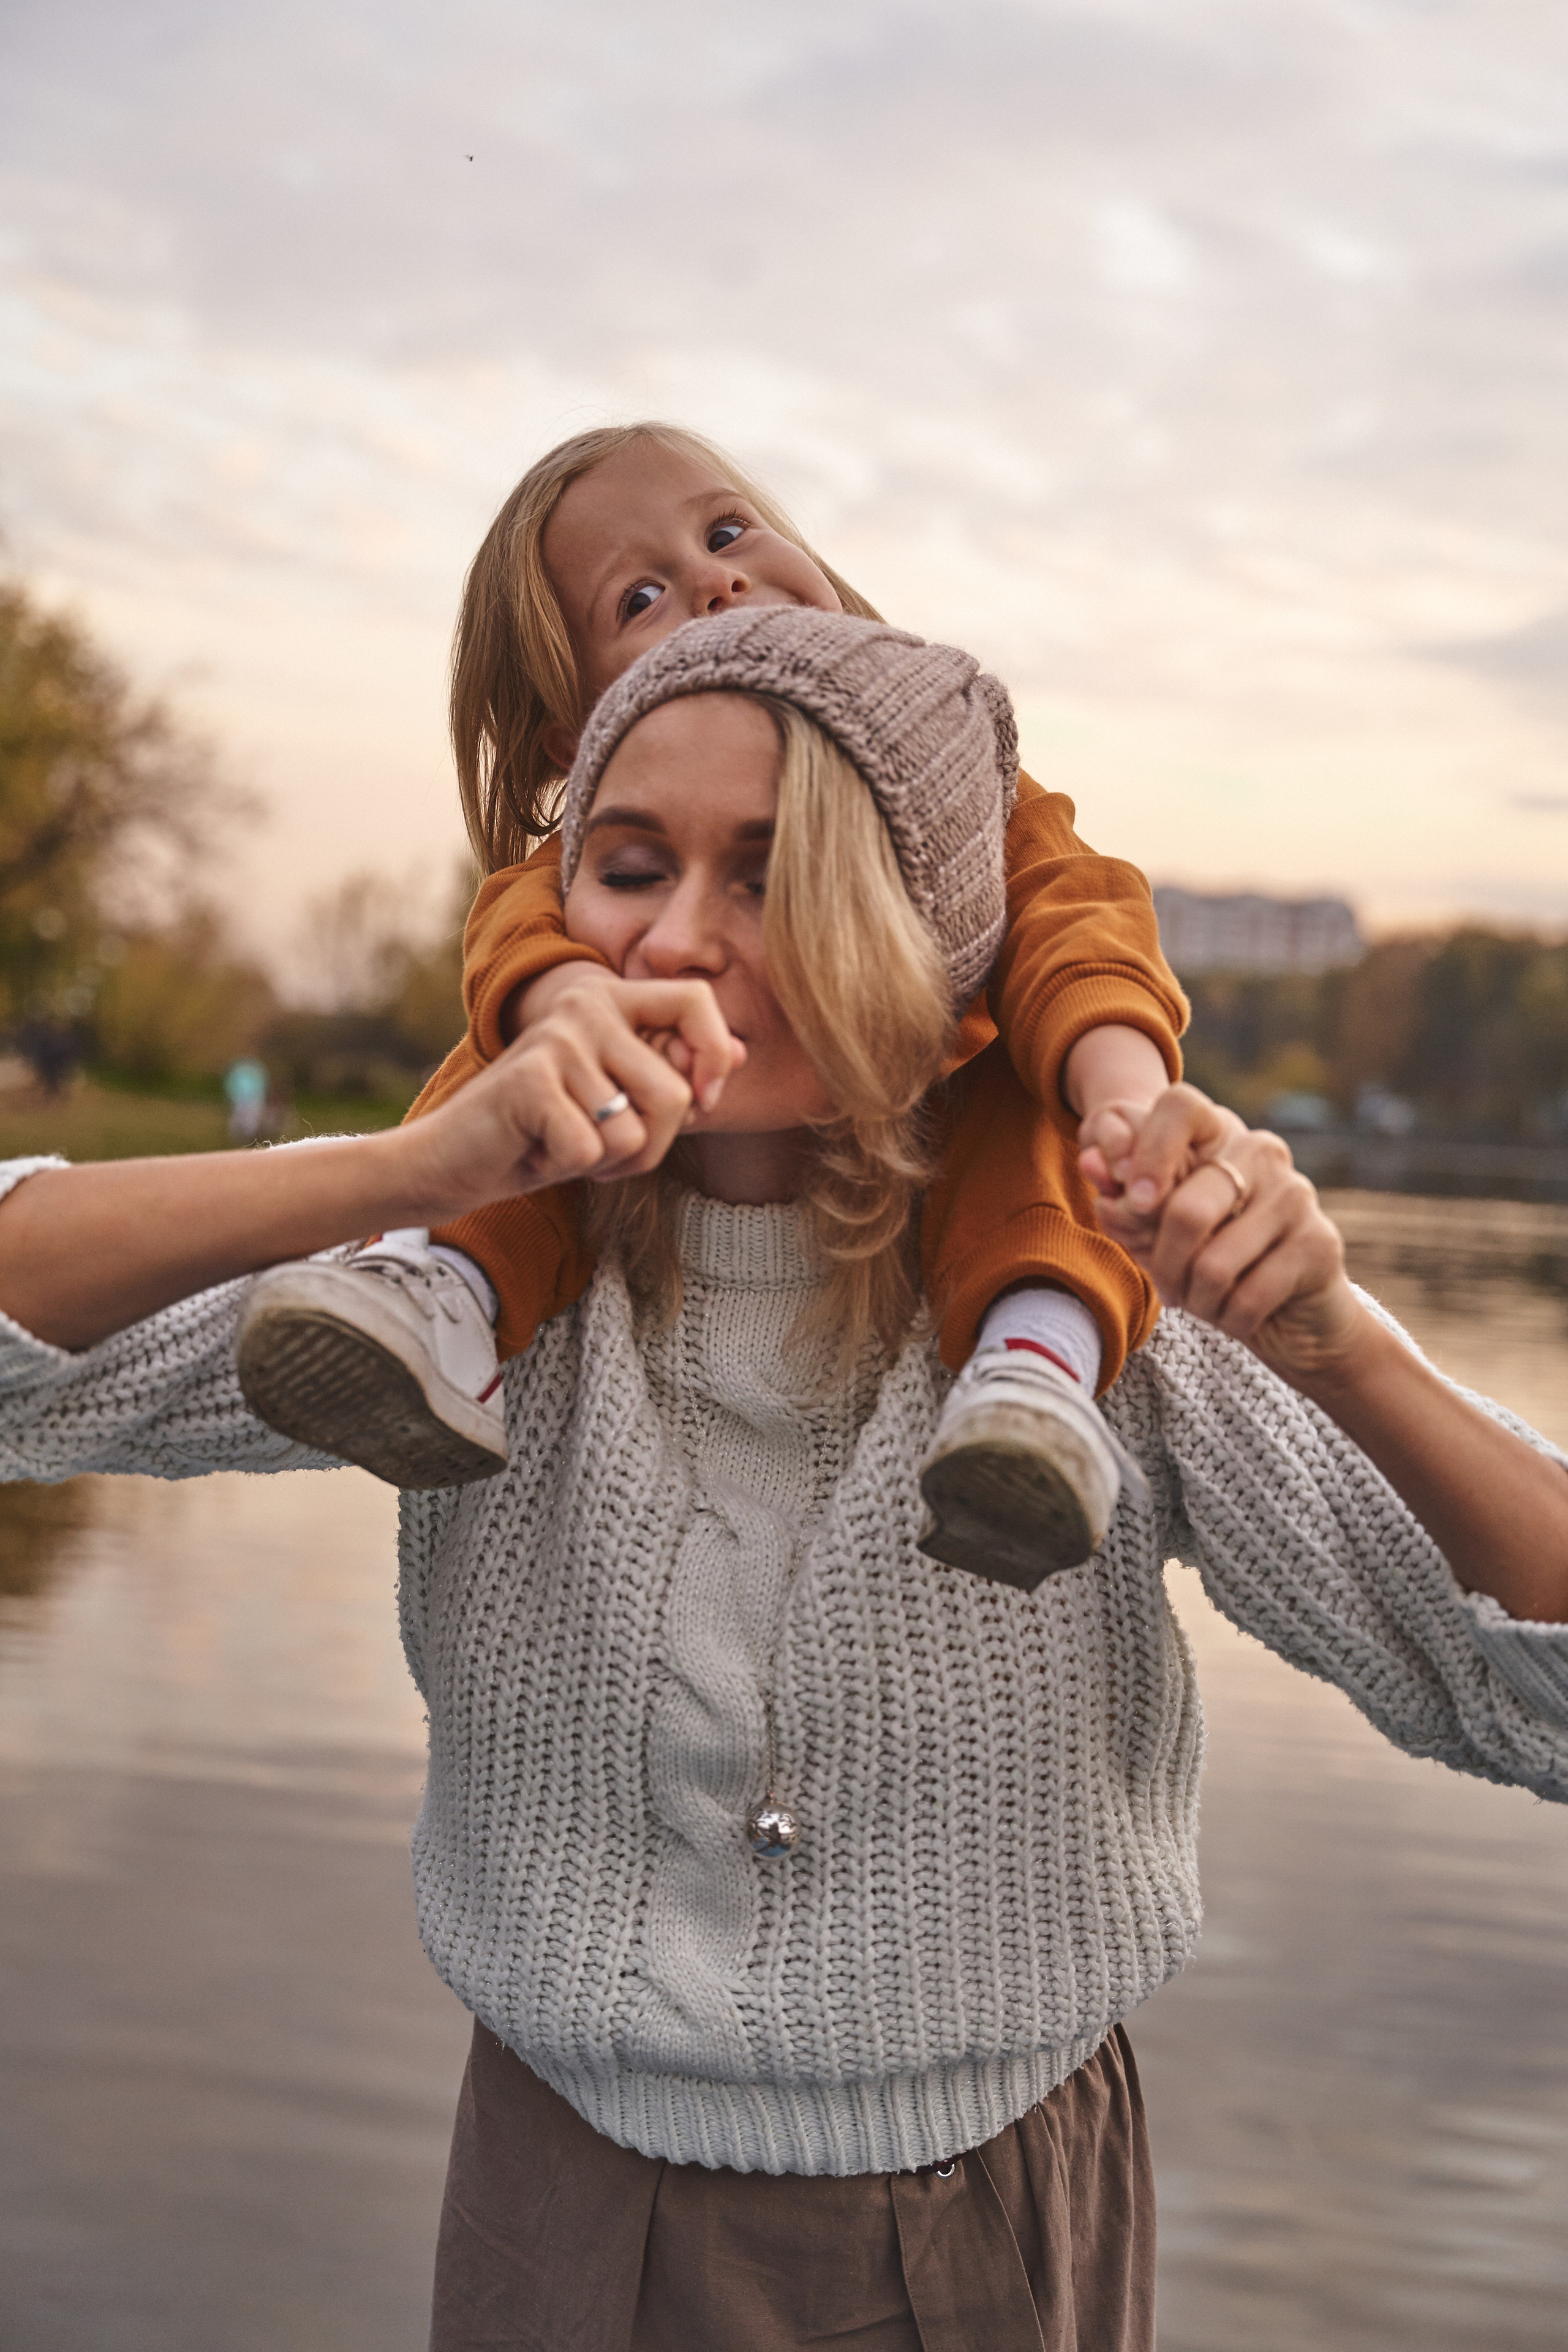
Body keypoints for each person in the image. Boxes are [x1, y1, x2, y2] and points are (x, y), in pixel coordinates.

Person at [1, 614, 1564, 2351]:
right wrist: (406, 1163)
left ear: (930, 937)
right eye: (630, 866)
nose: (673, 939)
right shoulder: (434, 1287)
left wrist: (1342, 1343)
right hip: (553, 2203)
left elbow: (1545, 1707)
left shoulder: (1105, 1302)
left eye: (768, 875)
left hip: (990, 2219)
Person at [230, 421, 1190, 1589]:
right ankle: (439, 1284)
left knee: (1032, 1125)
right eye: (639, 598)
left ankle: (1039, 1364)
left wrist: (1128, 1106)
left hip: (960, 1133)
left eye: (727, 530)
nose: (714, 580)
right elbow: (516, 941)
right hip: (605, 1124)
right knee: (526, 1100)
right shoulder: (566, 884)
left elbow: (1081, 928)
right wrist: (580, 1002)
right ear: (580, 742)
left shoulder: (969, 778)